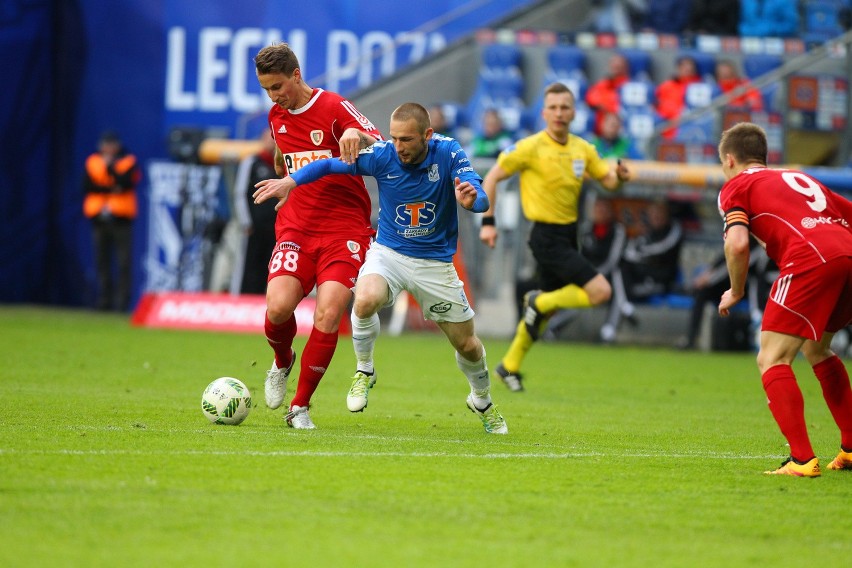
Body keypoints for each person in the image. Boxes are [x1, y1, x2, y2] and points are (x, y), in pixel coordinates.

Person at [254, 102, 507, 434]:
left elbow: (478, 190)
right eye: (394, 138)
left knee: (467, 344)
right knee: (364, 298)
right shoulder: (383, 155)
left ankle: (482, 399)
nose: (398, 146)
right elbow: (329, 165)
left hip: (434, 264)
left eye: (407, 140)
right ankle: (364, 370)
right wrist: (291, 181)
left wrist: (474, 200)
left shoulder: (447, 152)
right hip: (389, 254)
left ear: (427, 136)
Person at [252, 43, 383, 429]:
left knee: (328, 314)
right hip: (296, 226)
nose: (274, 97)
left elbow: (378, 139)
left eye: (278, 87)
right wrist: (285, 180)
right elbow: (283, 155)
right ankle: (282, 361)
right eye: (267, 90)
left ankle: (300, 406)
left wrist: (356, 135)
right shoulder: (277, 117)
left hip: (344, 228)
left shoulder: (334, 106)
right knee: (277, 309)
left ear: (296, 75)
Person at [717, 121, 852, 476]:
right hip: (847, 257)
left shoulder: (736, 187)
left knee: (772, 358)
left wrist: (736, 290)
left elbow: (737, 244)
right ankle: (851, 449)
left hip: (810, 261)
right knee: (816, 349)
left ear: (729, 160)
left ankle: (802, 460)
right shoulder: (801, 178)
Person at [478, 82, 631, 392]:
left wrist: (620, 178)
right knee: (600, 292)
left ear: (574, 112)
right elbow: (492, 176)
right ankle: (539, 299)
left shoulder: (582, 149)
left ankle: (508, 366)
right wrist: (488, 222)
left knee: (542, 315)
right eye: (554, 107)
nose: (560, 113)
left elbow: (607, 181)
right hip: (545, 237)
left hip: (568, 235)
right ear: (544, 112)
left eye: (565, 107)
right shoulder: (530, 147)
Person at [82, 130, 141, 312]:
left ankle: (122, 304)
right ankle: (104, 301)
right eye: (105, 144)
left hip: (121, 219)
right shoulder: (92, 161)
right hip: (99, 218)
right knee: (102, 262)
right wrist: (111, 188)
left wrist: (111, 170)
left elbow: (126, 184)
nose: (108, 148)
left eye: (112, 144)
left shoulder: (128, 161)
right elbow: (88, 186)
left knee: (123, 263)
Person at [231, 134, 279, 294]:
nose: (272, 142)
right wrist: (246, 222)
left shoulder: (282, 165)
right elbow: (240, 193)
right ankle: (242, 300)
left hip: (277, 228)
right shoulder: (252, 162)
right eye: (269, 138)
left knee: (272, 269)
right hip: (254, 228)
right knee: (249, 266)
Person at [620, 200, 683, 301]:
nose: (656, 216)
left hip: (663, 279)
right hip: (644, 275)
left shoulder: (674, 230)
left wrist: (638, 255)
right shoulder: (647, 232)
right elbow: (629, 251)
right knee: (623, 268)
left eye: (659, 212)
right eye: (653, 213)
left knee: (626, 286)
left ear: (666, 213)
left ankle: (625, 305)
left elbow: (660, 248)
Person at [655, 55, 702, 139]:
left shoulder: (701, 87)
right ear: (678, 68)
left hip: (694, 126)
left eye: (690, 66)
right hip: (669, 127)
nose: (688, 69)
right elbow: (659, 107)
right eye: (684, 66)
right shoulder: (666, 86)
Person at [585, 53, 632, 136]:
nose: (616, 68)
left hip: (622, 130)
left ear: (625, 68)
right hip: (600, 132)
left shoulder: (629, 87)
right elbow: (591, 100)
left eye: (619, 66)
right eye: (614, 66)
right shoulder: (602, 85)